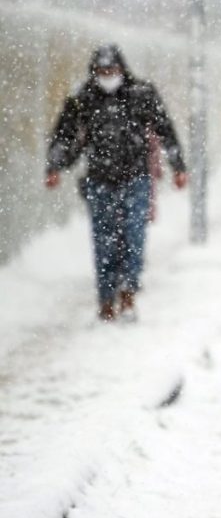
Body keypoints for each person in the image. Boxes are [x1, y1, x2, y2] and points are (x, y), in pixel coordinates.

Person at [45, 44, 188, 322]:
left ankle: (128, 292)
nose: (107, 76)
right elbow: (64, 134)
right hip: (99, 181)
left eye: (112, 70)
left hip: (136, 178)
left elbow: (165, 129)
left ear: (122, 69)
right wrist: (55, 166)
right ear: (94, 72)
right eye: (102, 71)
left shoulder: (141, 94)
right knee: (104, 241)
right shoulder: (83, 98)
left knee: (133, 237)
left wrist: (178, 166)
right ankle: (106, 297)